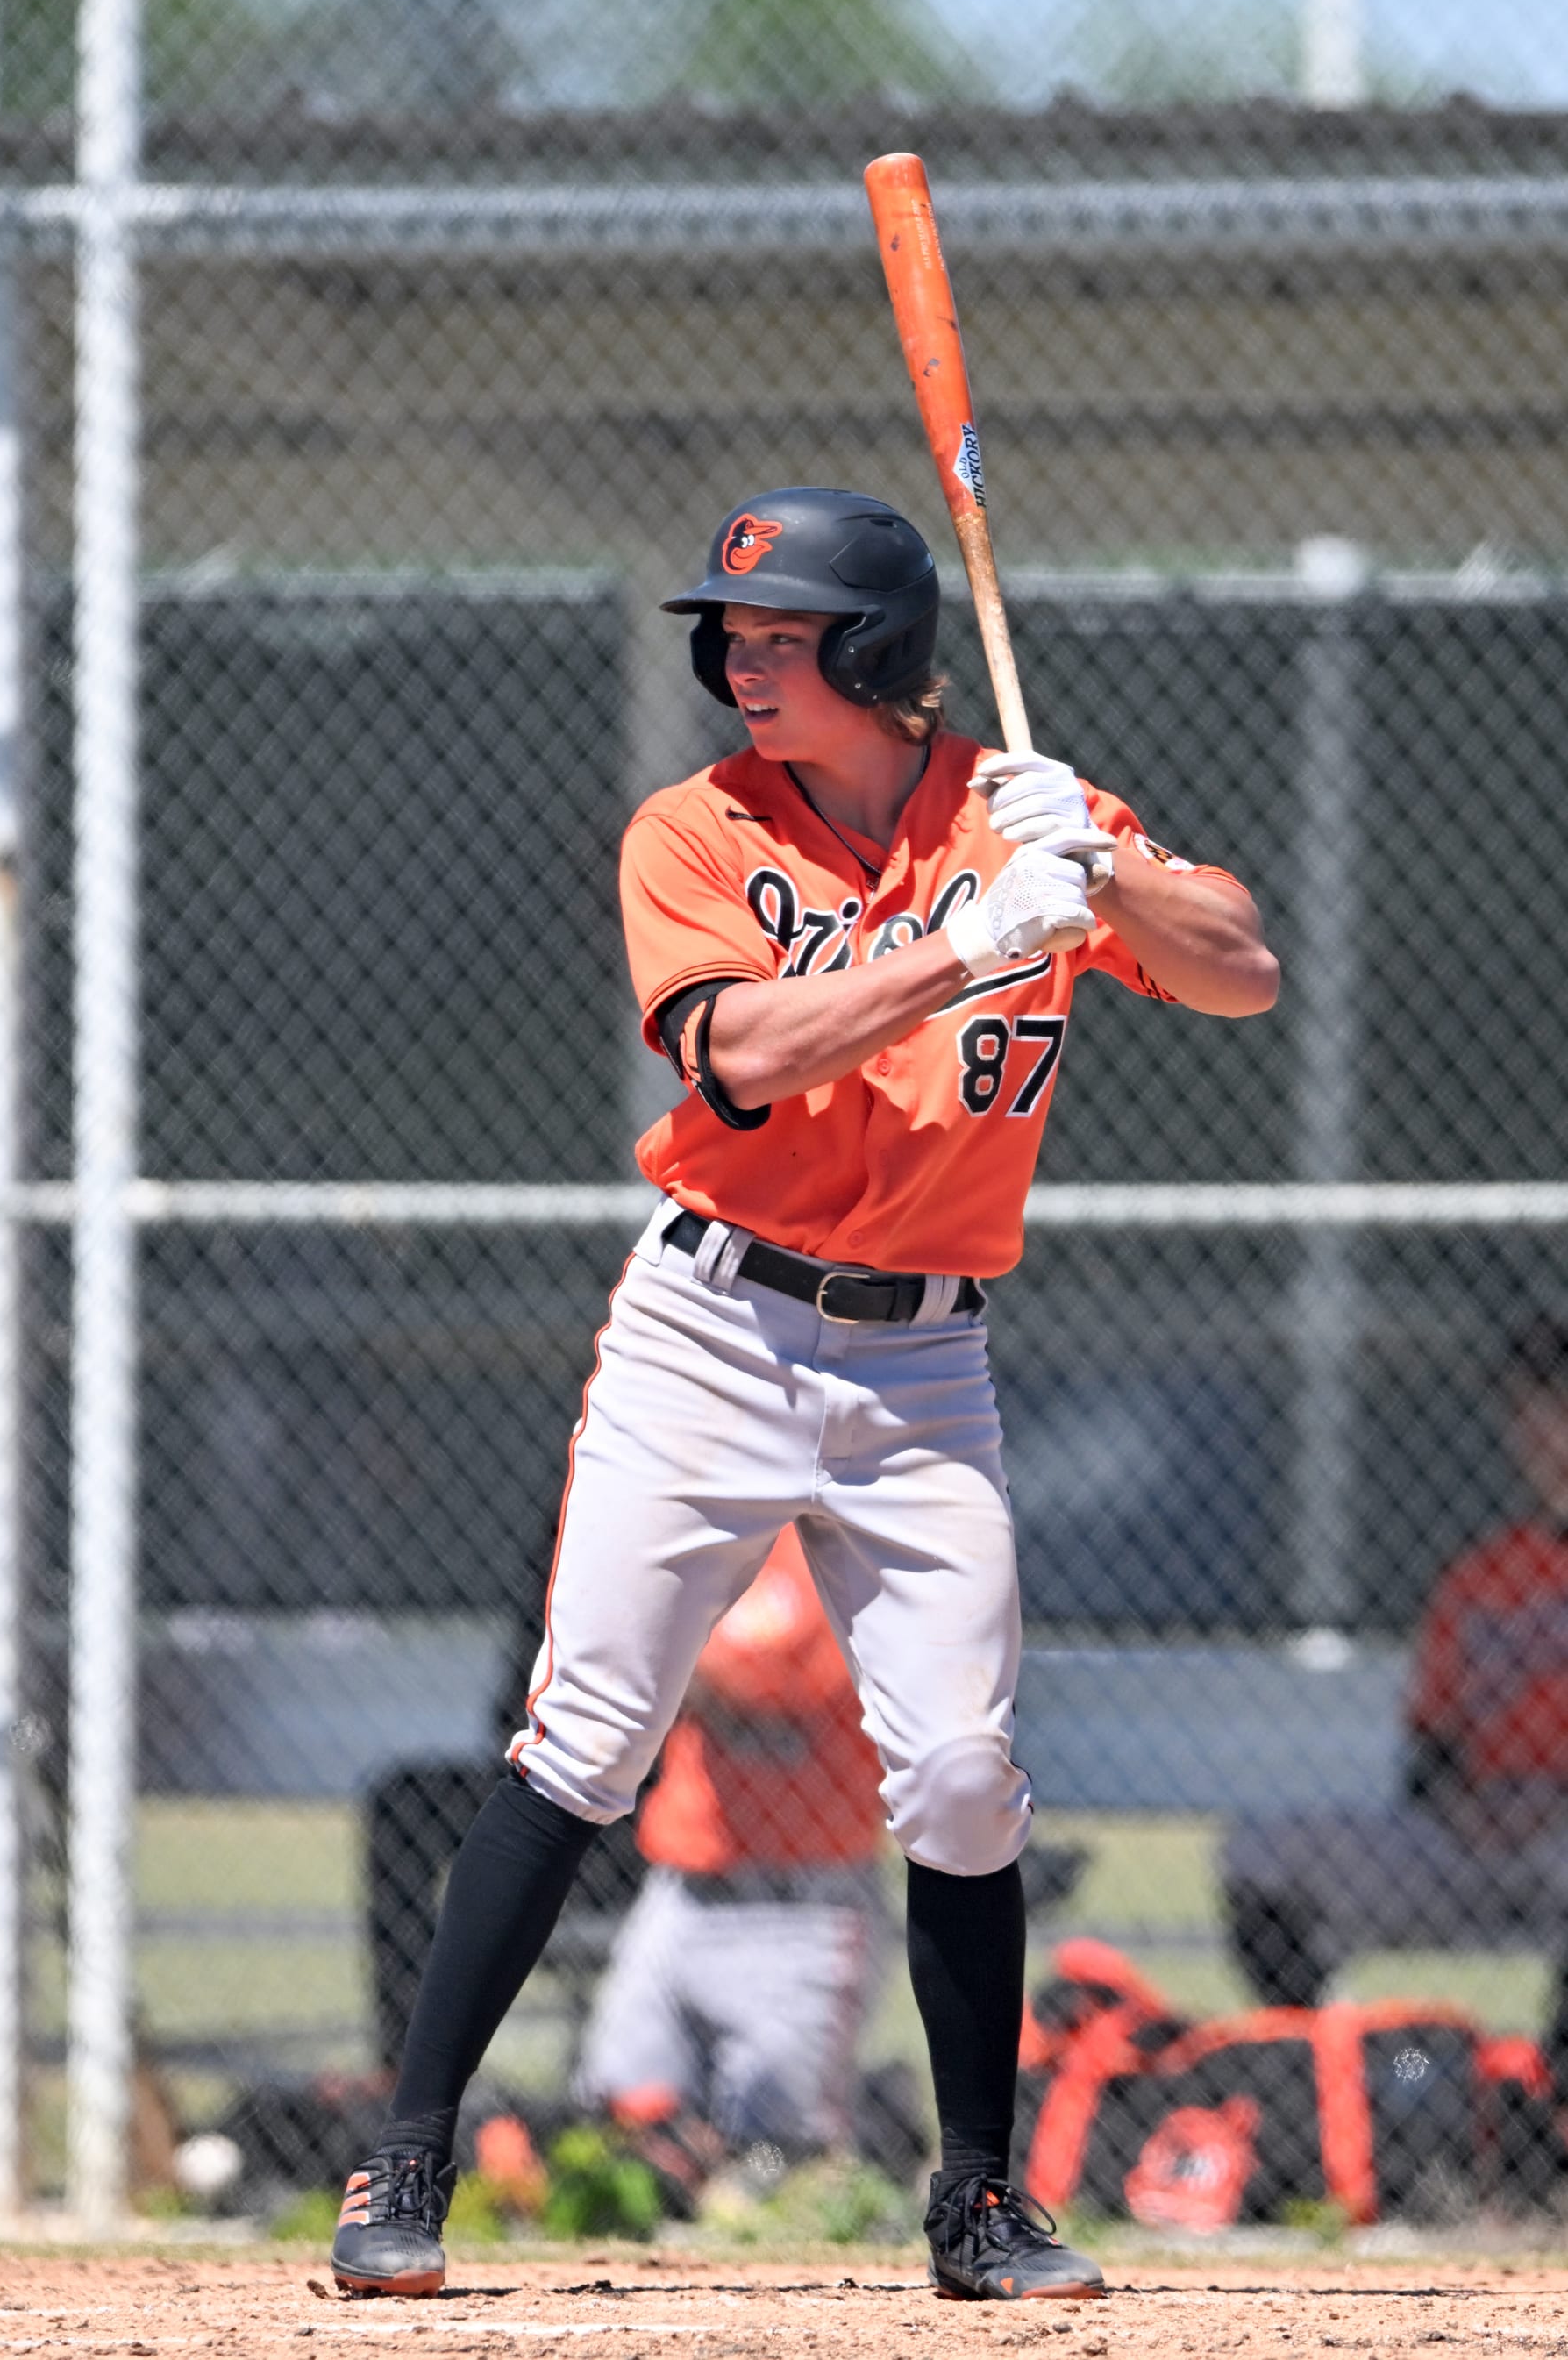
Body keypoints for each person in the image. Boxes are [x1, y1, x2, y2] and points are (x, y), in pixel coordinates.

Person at [329, 486, 1278, 2302]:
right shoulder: (692, 832)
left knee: (964, 1773)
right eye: (734, 638)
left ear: (878, 654)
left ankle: (980, 2203)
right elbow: (747, 1051)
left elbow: (1240, 971)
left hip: (925, 1355)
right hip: (715, 1330)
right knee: (587, 1737)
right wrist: (971, 942)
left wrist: (1106, 863)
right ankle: (406, 2161)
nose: (742, 666)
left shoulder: (1016, 820)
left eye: (781, 639)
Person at [1224, 1314, 1568, 2070]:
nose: (1541, 1434)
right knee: (1264, 1855)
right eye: (1527, 1412)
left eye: (1555, 1408)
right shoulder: (1480, 1576)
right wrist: (1466, 1811)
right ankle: (1329, 2078)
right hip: (1472, 1842)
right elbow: (1429, 1751)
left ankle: (1553, 2109)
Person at [574, 1523, 889, 2194]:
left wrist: (649, 1636)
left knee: (778, 2160)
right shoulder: (710, 1525)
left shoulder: (838, 1546)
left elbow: (754, 1670)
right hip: (680, 1898)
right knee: (622, 2117)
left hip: (804, 1914)